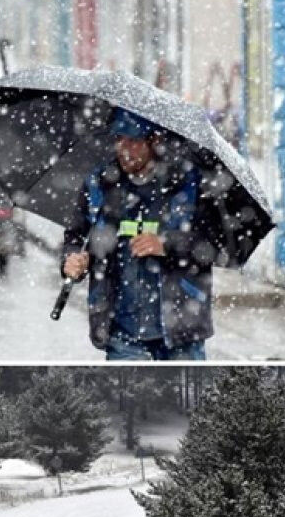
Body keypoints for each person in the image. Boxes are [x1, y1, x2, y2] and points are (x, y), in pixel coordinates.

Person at [61, 109, 215, 360]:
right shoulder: (100, 184)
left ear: (153, 141)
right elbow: (76, 235)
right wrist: (71, 260)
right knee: (128, 398)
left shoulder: (188, 184)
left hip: (181, 331)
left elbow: (212, 245)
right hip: (122, 330)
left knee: (185, 398)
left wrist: (166, 244)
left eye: (133, 141)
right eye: (119, 139)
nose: (124, 149)